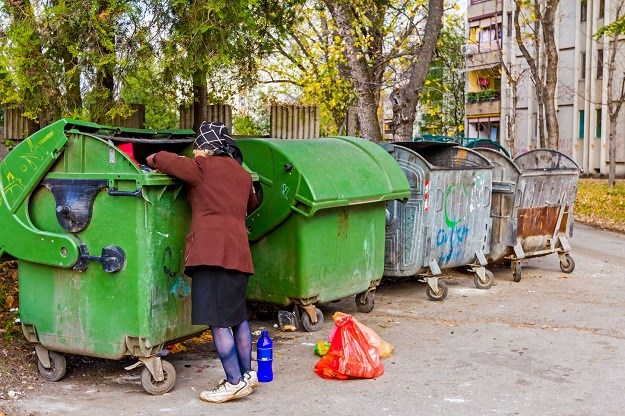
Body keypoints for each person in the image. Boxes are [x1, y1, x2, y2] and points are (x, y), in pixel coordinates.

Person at [146, 121, 259, 403]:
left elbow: (165, 159)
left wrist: (149, 158)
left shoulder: (202, 167)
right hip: (239, 253)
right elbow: (252, 204)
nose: (196, 151)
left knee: (218, 321)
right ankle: (246, 376)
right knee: (238, 318)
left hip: (211, 254)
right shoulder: (243, 174)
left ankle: (233, 382)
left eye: (198, 146)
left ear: (207, 148)